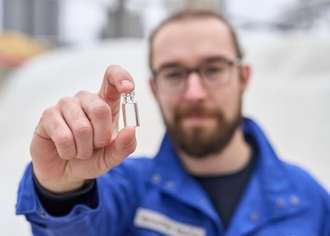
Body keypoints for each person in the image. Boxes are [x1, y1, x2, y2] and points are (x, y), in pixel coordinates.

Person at [16, 10, 330, 236]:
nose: (194, 93)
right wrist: (61, 190)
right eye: (174, 73)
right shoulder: (124, 190)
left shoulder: (309, 201)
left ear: (243, 77)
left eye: (214, 68)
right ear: (154, 88)